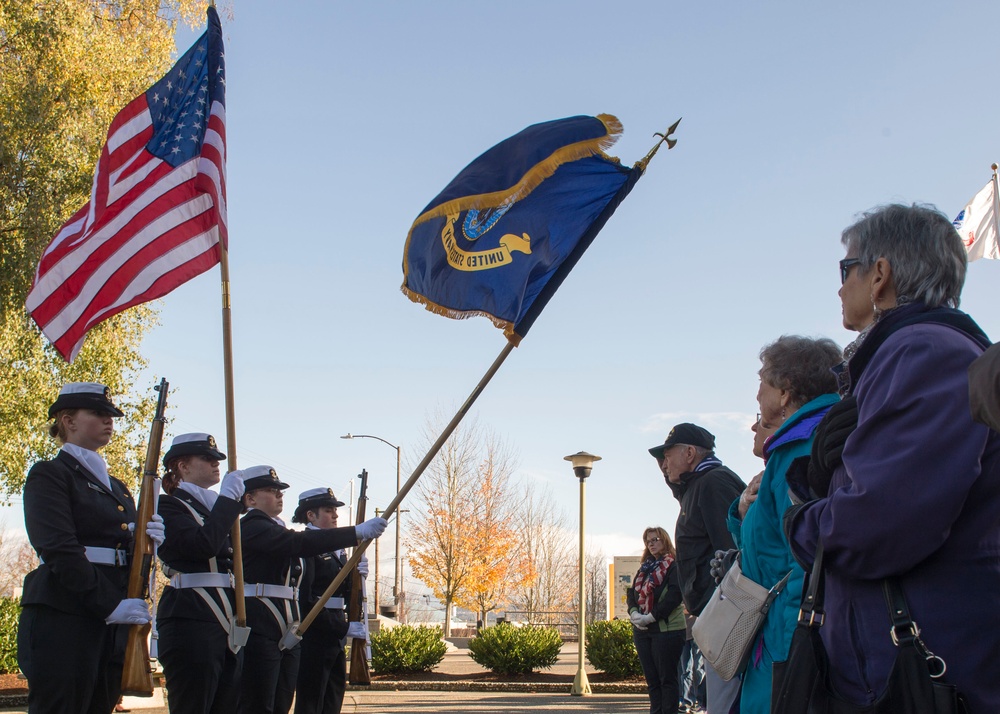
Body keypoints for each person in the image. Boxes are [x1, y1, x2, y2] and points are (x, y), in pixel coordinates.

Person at [786, 203, 1000, 712]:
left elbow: (880, 525)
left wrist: (798, 522)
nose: (840, 286)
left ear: (879, 274)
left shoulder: (922, 350)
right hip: (906, 667)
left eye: (846, 269)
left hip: (929, 672)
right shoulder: (905, 354)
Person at [18, 382, 164, 714]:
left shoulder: (117, 486)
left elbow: (126, 548)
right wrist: (111, 604)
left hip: (111, 621)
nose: (109, 420)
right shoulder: (51, 474)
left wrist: (149, 541)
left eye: (110, 414)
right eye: (97, 413)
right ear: (68, 421)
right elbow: (58, 547)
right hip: (65, 614)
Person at [723, 336, 841, 714]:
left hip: (787, 640)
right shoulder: (795, 446)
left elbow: (805, 559)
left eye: (763, 382)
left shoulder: (802, 447)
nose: (757, 395)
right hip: (780, 633)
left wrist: (786, 652)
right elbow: (769, 541)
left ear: (786, 392)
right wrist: (741, 512)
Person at [238, 466, 387, 714]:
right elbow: (300, 551)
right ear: (250, 498)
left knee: (296, 701)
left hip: (287, 628)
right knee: (276, 702)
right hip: (276, 626)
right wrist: (356, 532)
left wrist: (357, 575)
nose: (279, 494)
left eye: (279, 490)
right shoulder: (254, 526)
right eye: (271, 490)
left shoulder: (276, 529)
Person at [649, 423, 744, 714]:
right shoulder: (698, 486)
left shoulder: (714, 483)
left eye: (667, 455)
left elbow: (734, 555)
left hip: (728, 617)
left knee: (726, 706)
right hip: (715, 615)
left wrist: (721, 609)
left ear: (690, 453)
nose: (663, 465)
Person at [156, 432, 246, 714]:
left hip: (226, 620)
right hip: (190, 617)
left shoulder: (213, 510)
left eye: (217, 458)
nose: (215, 463)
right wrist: (228, 500)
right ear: (182, 466)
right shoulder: (168, 505)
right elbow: (202, 545)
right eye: (207, 459)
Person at [292, 488, 368, 714]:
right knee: (311, 700)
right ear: (310, 515)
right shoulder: (305, 548)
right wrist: (343, 627)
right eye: (328, 510)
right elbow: (305, 601)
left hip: (335, 631)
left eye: (335, 510)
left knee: (333, 697)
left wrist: (356, 574)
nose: (335, 515)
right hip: (316, 633)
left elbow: (344, 592)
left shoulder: (338, 550)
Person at [627, 526, 686, 714]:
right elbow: (632, 593)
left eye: (655, 540)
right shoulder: (645, 567)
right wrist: (634, 612)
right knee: (652, 681)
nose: (651, 544)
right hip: (643, 631)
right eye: (648, 541)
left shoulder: (674, 566)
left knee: (667, 680)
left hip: (667, 630)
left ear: (665, 541)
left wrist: (652, 616)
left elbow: (675, 596)